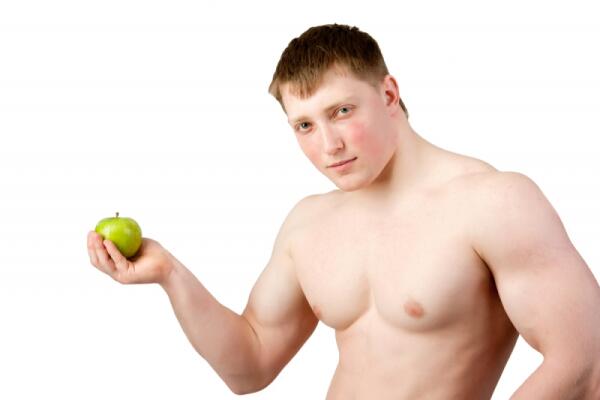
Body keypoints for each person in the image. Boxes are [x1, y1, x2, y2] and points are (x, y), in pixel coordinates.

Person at [86, 24, 600, 398]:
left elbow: (585, 362)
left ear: (389, 94)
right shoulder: (309, 223)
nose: (328, 144)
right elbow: (249, 367)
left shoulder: (493, 201)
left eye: (342, 111)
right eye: (305, 126)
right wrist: (170, 274)